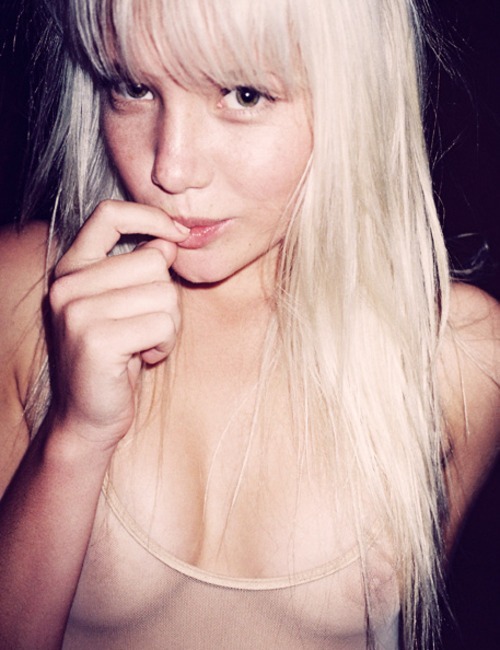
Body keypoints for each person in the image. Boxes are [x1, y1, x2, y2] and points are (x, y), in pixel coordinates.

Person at [0, 0, 498, 648]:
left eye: (243, 94)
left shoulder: (459, 356)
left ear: (356, 93)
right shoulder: (27, 295)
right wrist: (75, 437)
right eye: (132, 87)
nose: (171, 167)